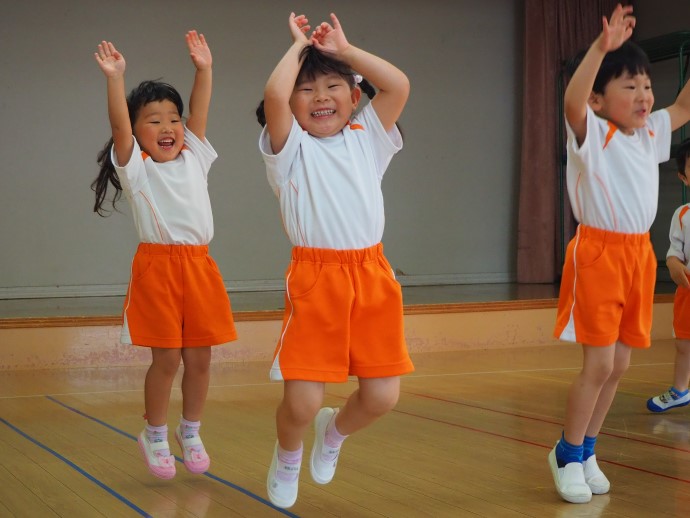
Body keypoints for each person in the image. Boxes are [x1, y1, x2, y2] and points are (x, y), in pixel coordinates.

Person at [256, 12, 414, 509]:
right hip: (316, 279)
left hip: (372, 277)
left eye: (333, 86)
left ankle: (334, 435)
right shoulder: (289, 148)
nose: (321, 96)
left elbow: (398, 85)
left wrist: (345, 51)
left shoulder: (368, 137)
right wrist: (301, 45)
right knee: (301, 402)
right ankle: (287, 455)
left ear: (353, 96)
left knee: (382, 397)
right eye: (308, 89)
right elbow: (274, 95)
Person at [549, 3, 690, 504]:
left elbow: (685, 106)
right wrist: (600, 48)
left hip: (637, 257)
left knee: (620, 365)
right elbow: (570, 102)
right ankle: (566, 452)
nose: (644, 94)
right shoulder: (592, 133)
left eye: (646, 85)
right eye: (629, 86)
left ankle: (588, 448)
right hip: (600, 256)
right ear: (599, 98)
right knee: (598, 364)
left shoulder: (650, 131)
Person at [92, 32, 237, 480]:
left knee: (201, 359)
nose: (168, 127)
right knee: (167, 360)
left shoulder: (195, 155)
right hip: (158, 269)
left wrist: (204, 69)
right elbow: (118, 124)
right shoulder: (136, 169)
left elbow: (201, 110)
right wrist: (116, 79)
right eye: (153, 121)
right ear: (136, 134)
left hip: (200, 266)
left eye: (173, 119)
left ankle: (189, 431)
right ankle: (154, 433)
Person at [647, 138, 690, 413]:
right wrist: (673, 263)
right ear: (684, 178)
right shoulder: (682, 215)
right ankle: (680, 390)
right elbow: (674, 250)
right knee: (684, 345)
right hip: (688, 292)